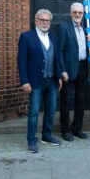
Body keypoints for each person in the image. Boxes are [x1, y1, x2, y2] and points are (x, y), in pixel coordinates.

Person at [18, 9, 62, 153]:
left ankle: (47, 136)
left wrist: (59, 76)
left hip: (52, 80)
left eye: (47, 20)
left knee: (50, 111)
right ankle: (31, 140)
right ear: (36, 21)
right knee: (34, 112)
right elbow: (21, 61)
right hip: (35, 81)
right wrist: (24, 81)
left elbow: (57, 58)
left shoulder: (53, 37)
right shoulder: (26, 37)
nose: (44, 22)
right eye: (42, 20)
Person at [57, 2, 90, 142]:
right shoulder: (64, 28)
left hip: (83, 68)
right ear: (71, 13)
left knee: (81, 100)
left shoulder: (87, 29)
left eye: (80, 12)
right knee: (66, 101)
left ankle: (77, 129)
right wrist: (62, 70)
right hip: (69, 70)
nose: (77, 15)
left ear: (83, 14)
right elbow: (59, 51)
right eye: (75, 12)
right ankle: (65, 130)